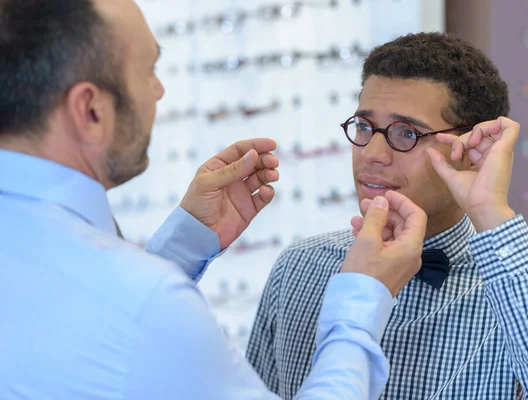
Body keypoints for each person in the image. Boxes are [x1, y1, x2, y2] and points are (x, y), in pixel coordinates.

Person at [0, 0, 431, 399]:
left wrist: (183, 245)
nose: (159, 91)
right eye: (148, 71)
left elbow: (90, 327)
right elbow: (123, 317)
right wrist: (362, 298)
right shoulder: (145, 302)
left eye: (406, 133)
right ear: (90, 110)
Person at [246, 33, 528, 399]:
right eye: (364, 127)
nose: (372, 153)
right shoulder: (298, 269)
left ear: (467, 148)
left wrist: (489, 209)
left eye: (406, 133)